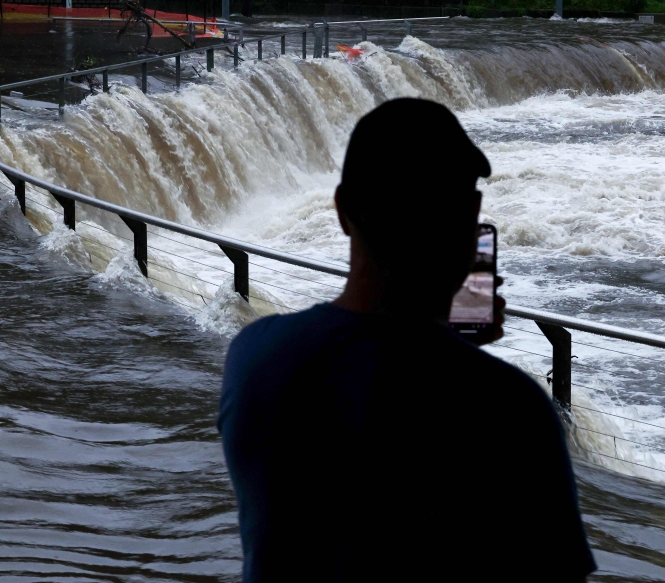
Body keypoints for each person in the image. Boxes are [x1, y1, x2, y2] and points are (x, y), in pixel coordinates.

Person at [219, 98, 596, 582]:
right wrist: (455, 349)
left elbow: (372, 388)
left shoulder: (254, 359)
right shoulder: (512, 411)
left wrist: (443, 345)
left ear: (341, 211)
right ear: (470, 227)